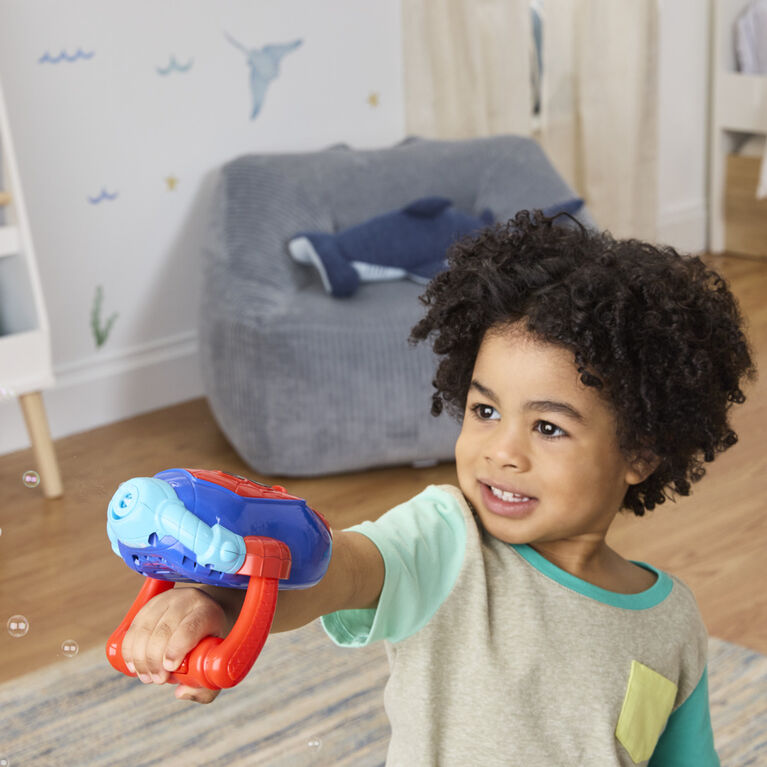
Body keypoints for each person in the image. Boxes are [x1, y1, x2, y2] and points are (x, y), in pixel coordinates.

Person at [121, 211, 755, 765]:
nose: (501, 451)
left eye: (547, 427)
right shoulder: (446, 540)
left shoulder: (672, 623)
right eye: (485, 411)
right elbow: (335, 572)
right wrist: (218, 600)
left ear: (640, 453)